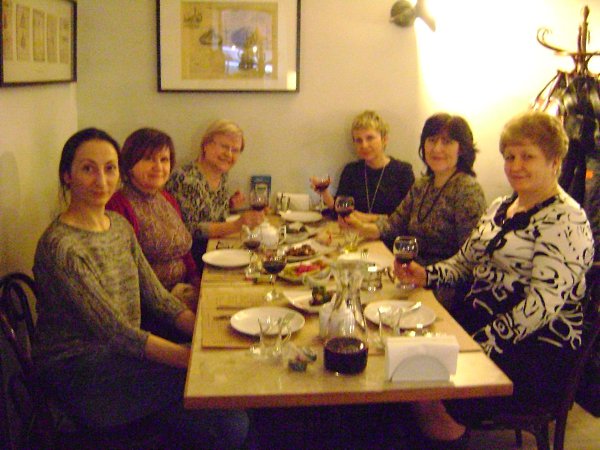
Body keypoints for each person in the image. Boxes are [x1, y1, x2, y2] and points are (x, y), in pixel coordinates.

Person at [32, 128, 249, 448]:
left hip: (124, 357)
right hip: (82, 375)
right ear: (67, 175)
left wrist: (209, 335)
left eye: (109, 168)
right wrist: (196, 358)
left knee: (231, 408)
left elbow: (158, 298)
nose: (101, 180)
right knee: (227, 410)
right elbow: (115, 332)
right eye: (88, 169)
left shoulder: (118, 226)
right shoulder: (61, 246)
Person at [395, 111, 594, 447]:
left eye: (527, 156)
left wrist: (479, 344)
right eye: (510, 157)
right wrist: (426, 274)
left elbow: (541, 306)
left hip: (535, 348)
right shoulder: (501, 207)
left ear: (554, 161)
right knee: (402, 353)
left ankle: (446, 433)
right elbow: (464, 261)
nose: (516, 166)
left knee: (422, 377)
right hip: (479, 324)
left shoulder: (567, 220)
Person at [344, 112, 486, 266]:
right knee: (352, 269)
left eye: (446, 142)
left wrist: (426, 275)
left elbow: (471, 258)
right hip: (408, 269)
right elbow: (393, 225)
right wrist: (360, 228)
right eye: (432, 140)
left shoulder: (467, 190)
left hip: (437, 278)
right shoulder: (422, 185)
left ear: (462, 149)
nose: (437, 148)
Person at [106, 128, 200, 311]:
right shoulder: (118, 205)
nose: (158, 167)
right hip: (152, 306)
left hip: (183, 290)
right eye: (148, 158)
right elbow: (127, 274)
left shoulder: (166, 198)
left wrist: (198, 282)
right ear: (130, 164)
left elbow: (184, 251)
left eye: (164, 160)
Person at [165, 119, 264, 266]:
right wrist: (237, 225)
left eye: (235, 150)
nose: (229, 154)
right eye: (224, 146)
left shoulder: (221, 174)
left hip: (217, 250)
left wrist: (230, 205)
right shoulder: (186, 179)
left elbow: (208, 214)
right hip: (193, 260)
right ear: (206, 145)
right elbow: (189, 229)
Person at [310, 110, 414, 219]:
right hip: (353, 230)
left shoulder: (403, 172)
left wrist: (364, 218)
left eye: (370, 138)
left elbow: (407, 218)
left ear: (384, 139)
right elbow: (341, 211)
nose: (364, 145)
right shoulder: (351, 171)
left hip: (386, 231)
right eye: (358, 140)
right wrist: (324, 192)